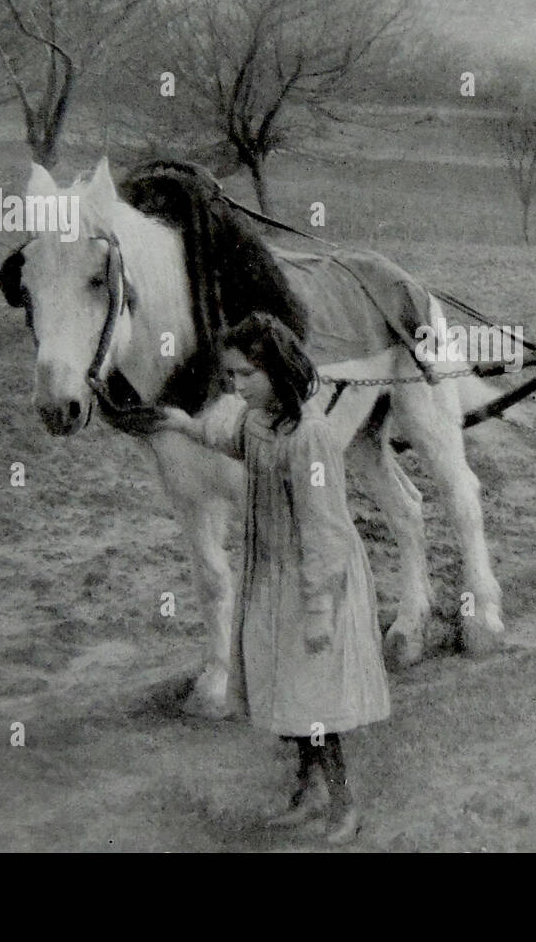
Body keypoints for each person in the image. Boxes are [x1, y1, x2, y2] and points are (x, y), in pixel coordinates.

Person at [154, 313, 390, 845]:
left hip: (313, 580)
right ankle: (307, 794)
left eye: (243, 375)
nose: (234, 386)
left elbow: (324, 528)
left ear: (276, 371)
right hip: (273, 576)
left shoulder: (310, 438)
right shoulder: (258, 421)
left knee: (318, 705)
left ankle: (344, 805)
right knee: (287, 694)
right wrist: (178, 422)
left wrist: (318, 611)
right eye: (231, 375)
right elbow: (227, 438)